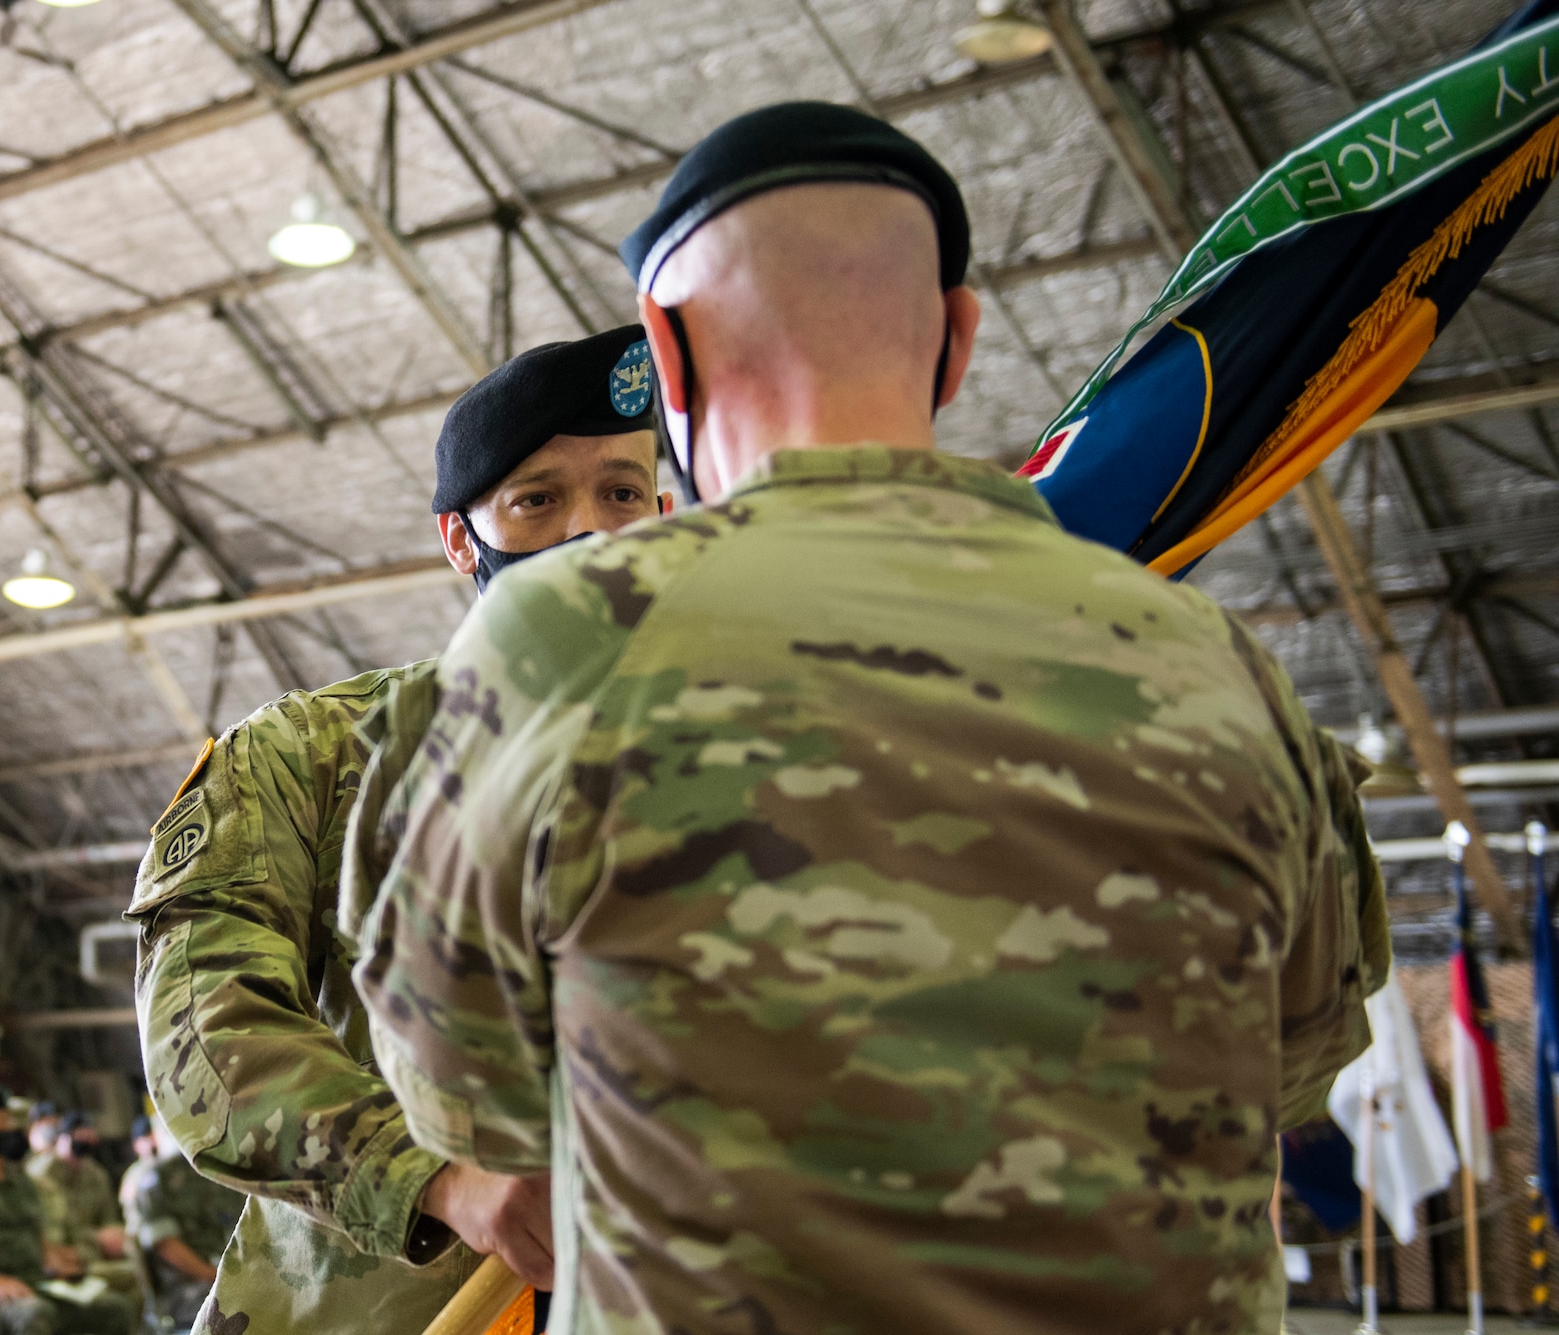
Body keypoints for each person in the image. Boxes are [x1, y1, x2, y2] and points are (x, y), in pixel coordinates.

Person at [349, 101, 1391, 1335]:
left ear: (667, 365)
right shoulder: (1222, 672)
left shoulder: (550, 651)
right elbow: (1299, 1060)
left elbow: (467, 1103)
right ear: (954, 341)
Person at [130, 327, 669, 1335]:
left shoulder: (750, 768)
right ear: (462, 538)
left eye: (621, 493)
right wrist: (444, 1181)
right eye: (538, 499)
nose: (587, 532)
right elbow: (204, 1035)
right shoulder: (313, 756)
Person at [0, 1087, 133, 1335]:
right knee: (35, 1316)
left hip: (32, 1285)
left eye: (3, 1120)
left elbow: (37, 1241)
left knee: (114, 1309)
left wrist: (58, 1265)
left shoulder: (23, 1183)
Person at [126, 1146, 244, 1329]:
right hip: (184, 1287)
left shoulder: (226, 1170)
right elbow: (164, 1244)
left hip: (227, 1272)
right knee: (239, 1304)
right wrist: (213, 1275)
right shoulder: (160, 1175)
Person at [26, 1117, 125, 1277]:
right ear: (63, 1138)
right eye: (79, 1137)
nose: (85, 1141)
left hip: (95, 1247)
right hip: (67, 1250)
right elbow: (55, 1230)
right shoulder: (43, 1174)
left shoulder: (95, 1173)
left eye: (89, 1137)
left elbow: (108, 1218)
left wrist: (112, 1235)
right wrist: (96, 1238)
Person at [115, 1120, 154, 1222]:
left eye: (152, 1135)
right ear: (136, 1145)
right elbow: (130, 1207)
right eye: (146, 1137)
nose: (151, 1140)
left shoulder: (169, 1166)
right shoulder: (133, 1175)